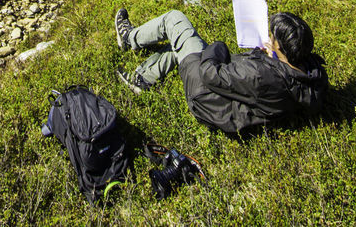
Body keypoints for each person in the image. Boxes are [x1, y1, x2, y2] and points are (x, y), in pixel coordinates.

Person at [114, 7, 328, 137]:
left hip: (206, 97)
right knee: (184, 44)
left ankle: (129, 38)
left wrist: (217, 46)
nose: (269, 37)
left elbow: (209, 72)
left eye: (272, 36)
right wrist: (270, 55)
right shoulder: (312, 76)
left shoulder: (259, 74)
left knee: (175, 20)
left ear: (280, 47)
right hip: (230, 99)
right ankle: (143, 78)